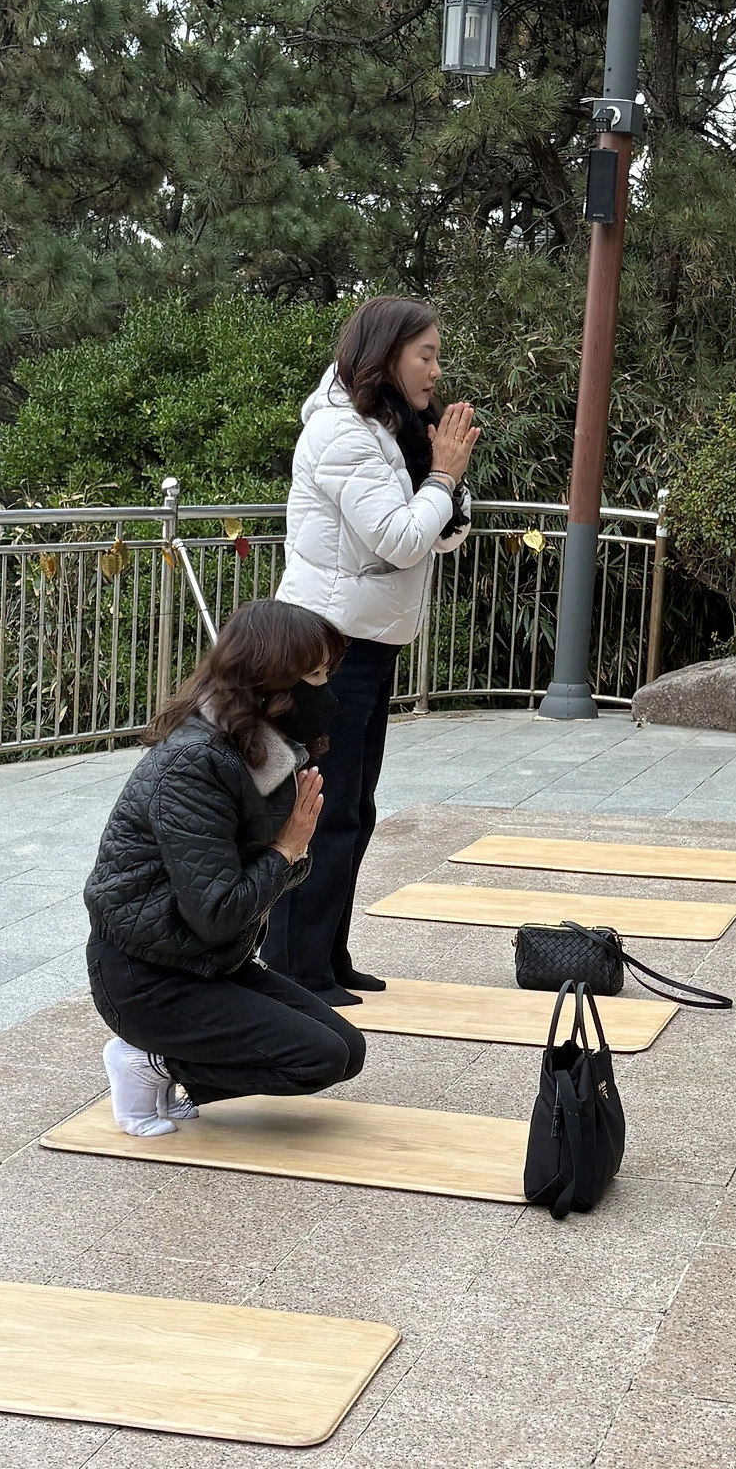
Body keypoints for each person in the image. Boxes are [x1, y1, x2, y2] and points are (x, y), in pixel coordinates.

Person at [262, 295, 480, 1004]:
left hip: (368, 640)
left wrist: (444, 481)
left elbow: (442, 533)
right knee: (321, 809)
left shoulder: (389, 429)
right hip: (328, 646)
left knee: (354, 806)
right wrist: (441, 479)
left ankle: (326, 956)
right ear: (386, 356)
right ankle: (294, 968)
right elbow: (401, 537)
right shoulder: (340, 432)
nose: (436, 371)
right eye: (426, 355)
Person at [84, 599, 366, 1137]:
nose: (327, 692)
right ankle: (148, 1061)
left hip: (211, 962)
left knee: (346, 1050)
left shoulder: (265, 750)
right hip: (147, 976)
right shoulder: (194, 764)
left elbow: (257, 878)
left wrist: (289, 852)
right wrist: (287, 850)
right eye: (314, 676)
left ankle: (167, 1062)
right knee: (318, 1057)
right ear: (271, 681)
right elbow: (215, 913)